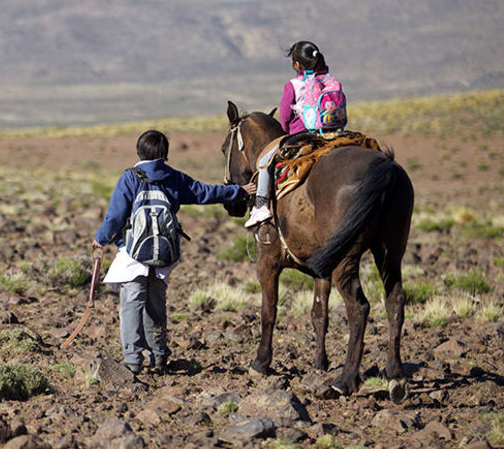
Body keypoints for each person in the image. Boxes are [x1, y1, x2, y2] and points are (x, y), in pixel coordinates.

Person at [93, 129, 256, 375]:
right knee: (157, 307)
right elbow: (205, 193)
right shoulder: (174, 178)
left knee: (131, 306)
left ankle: (133, 360)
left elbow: (115, 216)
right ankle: (159, 357)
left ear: (139, 151)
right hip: (164, 256)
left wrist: (100, 239)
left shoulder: (129, 178)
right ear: (165, 154)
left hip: (133, 256)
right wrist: (239, 191)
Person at [243, 40, 333, 228]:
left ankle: (260, 208)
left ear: (297, 64)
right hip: (330, 133)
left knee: (264, 162)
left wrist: (286, 131)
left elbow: (284, 117)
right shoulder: (329, 79)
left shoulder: (294, 85)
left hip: (300, 135)